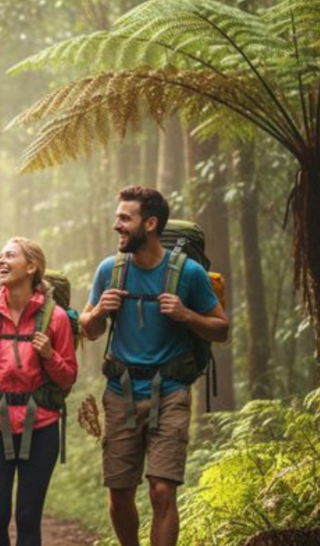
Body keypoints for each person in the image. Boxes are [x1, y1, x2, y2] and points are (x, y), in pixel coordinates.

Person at [79, 186, 229, 546]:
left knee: (162, 491)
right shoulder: (109, 270)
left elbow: (221, 328)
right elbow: (89, 328)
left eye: (125, 219)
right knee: (119, 492)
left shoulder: (189, 274)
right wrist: (100, 310)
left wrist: (186, 314)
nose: (117, 225)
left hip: (171, 392)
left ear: (150, 223)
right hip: (120, 393)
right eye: (118, 217)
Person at [0, 237, 78, 546]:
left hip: (42, 426)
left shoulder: (57, 318)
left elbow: (67, 379)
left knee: (28, 517)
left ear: (32, 266)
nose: (1, 260)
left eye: (10, 255)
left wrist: (50, 355)